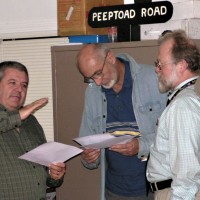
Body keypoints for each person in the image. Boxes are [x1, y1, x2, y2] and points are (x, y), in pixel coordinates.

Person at [76, 43, 167, 200]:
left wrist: (141, 145)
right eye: (90, 78)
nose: (97, 82)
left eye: (98, 73)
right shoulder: (93, 93)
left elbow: (173, 136)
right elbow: (87, 143)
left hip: (153, 190)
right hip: (114, 191)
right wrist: (88, 157)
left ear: (110, 57)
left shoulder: (153, 79)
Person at [0, 61, 66, 200]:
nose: (20, 89)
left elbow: (43, 169)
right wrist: (21, 114)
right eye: (12, 82)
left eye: (24, 85)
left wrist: (53, 175)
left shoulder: (31, 122)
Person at [147, 30, 200, 199]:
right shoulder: (187, 97)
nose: (157, 69)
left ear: (182, 65)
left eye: (161, 64)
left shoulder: (182, 106)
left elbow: (187, 173)